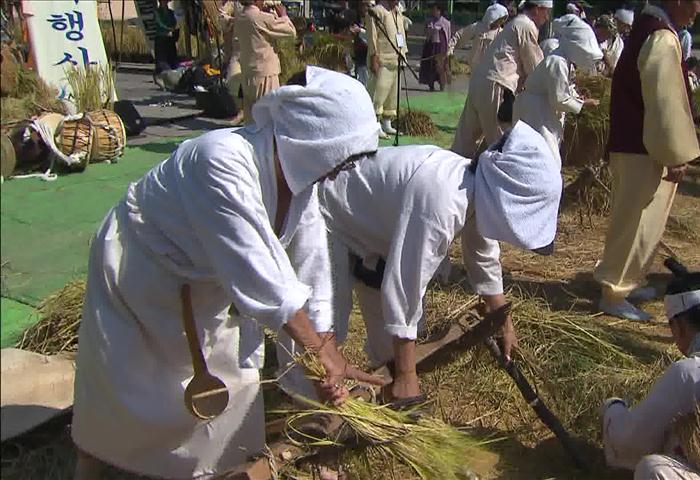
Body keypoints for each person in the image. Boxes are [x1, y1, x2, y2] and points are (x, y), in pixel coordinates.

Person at [70, 68, 385, 480]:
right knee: (121, 378)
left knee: (224, 385)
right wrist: (322, 355)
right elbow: (267, 280)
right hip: (138, 269)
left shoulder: (302, 186)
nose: (345, 171)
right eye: (344, 157)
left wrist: (322, 355)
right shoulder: (220, 160)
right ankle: (91, 461)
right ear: (313, 142)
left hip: (204, 283)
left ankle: (209, 469)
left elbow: (310, 272)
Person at [282, 122, 559, 405]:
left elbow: (482, 255)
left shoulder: (477, 189)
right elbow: (405, 286)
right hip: (329, 216)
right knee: (323, 330)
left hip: (377, 236)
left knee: (396, 345)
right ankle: (303, 412)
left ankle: (383, 390)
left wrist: (502, 319)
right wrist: (406, 376)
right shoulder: (443, 199)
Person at [594, 0, 700, 321]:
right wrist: (675, 153)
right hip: (642, 148)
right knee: (635, 222)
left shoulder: (651, 30)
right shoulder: (661, 36)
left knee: (636, 220)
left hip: (636, 145)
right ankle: (614, 293)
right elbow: (663, 101)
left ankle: (627, 281)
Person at [602, 270, 700, 480]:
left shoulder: (690, 372)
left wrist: (612, 409)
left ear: (679, 326)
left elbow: (630, 440)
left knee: (653, 469)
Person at [450, 0, 552, 159]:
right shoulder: (525, 26)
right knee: (501, 142)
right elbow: (535, 67)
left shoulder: (514, 24)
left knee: (464, 142)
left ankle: (449, 173)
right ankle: (498, 180)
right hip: (497, 84)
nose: (547, 17)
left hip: (480, 81)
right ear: (537, 9)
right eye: (547, 12)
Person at [514, 14, 601, 161]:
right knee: (547, 156)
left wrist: (575, 97)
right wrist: (584, 104)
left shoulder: (563, 60)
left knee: (540, 153)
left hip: (541, 109)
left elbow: (562, 88)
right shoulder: (557, 62)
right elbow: (558, 99)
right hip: (537, 111)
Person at [234, 0, 296, 124]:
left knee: (251, 119)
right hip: (265, 74)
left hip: (249, 72)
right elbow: (290, 32)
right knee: (268, 118)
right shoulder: (260, 18)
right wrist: (283, 15)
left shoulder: (241, 16)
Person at [366, 0, 407, 139]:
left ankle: (387, 123)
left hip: (397, 57)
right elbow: (372, 36)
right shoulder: (376, 11)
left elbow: (401, 34)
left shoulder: (398, 12)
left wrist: (403, 53)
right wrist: (373, 56)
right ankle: (374, 124)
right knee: (379, 92)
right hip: (382, 58)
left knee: (393, 94)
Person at [448, 3, 510, 72]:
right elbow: (459, 35)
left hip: (490, 71)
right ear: (494, 16)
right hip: (473, 69)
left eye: (504, 19)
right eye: (500, 19)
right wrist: (450, 50)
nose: (502, 21)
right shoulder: (477, 27)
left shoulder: (501, 33)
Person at [221, 1, 245, 123]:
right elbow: (222, 16)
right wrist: (229, 20)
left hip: (255, 46)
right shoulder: (233, 2)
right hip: (237, 47)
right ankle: (241, 111)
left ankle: (249, 113)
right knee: (232, 79)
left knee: (253, 83)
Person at [419, 3, 452, 91]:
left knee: (440, 66)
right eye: (432, 10)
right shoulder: (429, 21)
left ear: (439, 11)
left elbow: (448, 36)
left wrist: (448, 49)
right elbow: (425, 33)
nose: (433, 12)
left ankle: (442, 85)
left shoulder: (446, 22)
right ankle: (431, 85)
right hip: (430, 46)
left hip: (440, 47)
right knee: (430, 65)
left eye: (435, 10)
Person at [153, 0, 179, 81]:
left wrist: (173, 28)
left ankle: (172, 75)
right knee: (161, 58)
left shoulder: (171, 12)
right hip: (161, 37)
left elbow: (174, 22)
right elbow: (159, 22)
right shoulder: (157, 12)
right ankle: (161, 75)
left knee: (172, 57)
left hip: (170, 38)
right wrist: (168, 28)